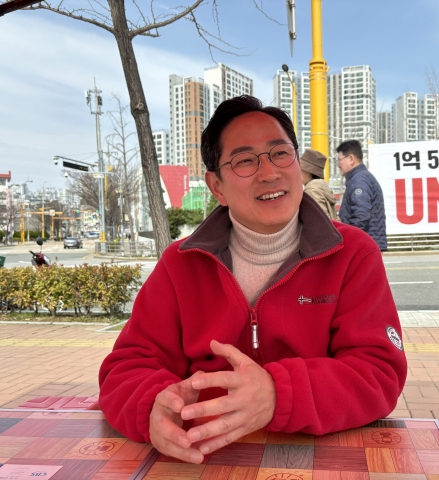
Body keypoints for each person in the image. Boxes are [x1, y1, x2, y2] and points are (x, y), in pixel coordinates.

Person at [98, 96, 407, 463]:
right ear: (217, 187)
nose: (269, 172)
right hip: (204, 459)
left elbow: (378, 373)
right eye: (245, 160)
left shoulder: (353, 253)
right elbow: (125, 367)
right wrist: (152, 407)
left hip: (319, 460)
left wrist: (278, 394)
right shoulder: (180, 265)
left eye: (280, 153)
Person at [337, 140, 387, 251]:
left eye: (340, 160)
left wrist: (349, 240)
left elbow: (361, 215)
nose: (338, 165)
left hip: (364, 245)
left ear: (351, 159)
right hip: (367, 243)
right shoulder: (359, 178)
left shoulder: (359, 180)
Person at [299, 149, 338, 220]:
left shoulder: (312, 189)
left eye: (301, 169)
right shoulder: (322, 186)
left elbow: (321, 221)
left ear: (309, 171)